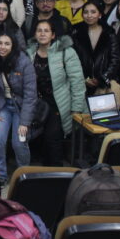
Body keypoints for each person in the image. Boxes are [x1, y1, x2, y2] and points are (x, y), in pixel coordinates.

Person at [26, 18, 86, 166]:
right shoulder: (29, 53)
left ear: (53, 35)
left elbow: (77, 82)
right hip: (37, 105)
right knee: (37, 142)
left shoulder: (66, 52)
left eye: (46, 31)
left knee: (53, 140)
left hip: (58, 104)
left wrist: (76, 108)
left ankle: (55, 175)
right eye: (39, 30)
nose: (42, 34)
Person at [0, 33, 36, 183]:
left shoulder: (23, 62)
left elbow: (30, 94)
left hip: (21, 106)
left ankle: (23, 175)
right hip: (3, 105)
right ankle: (0, 177)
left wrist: (25, 122)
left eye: (7, 44)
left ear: (13, 46)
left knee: (19, 142)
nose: (3, 47)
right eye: (0, 43)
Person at [72, 1, 120, 96]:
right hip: (80, 84)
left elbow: (115, 59)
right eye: (86, 12)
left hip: (104, 84)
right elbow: (71, 60)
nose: (89, 15)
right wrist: (83, 78)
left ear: (100, 14)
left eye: (93, 12)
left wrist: (102, 78)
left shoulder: (109, 32)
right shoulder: (75, 32)